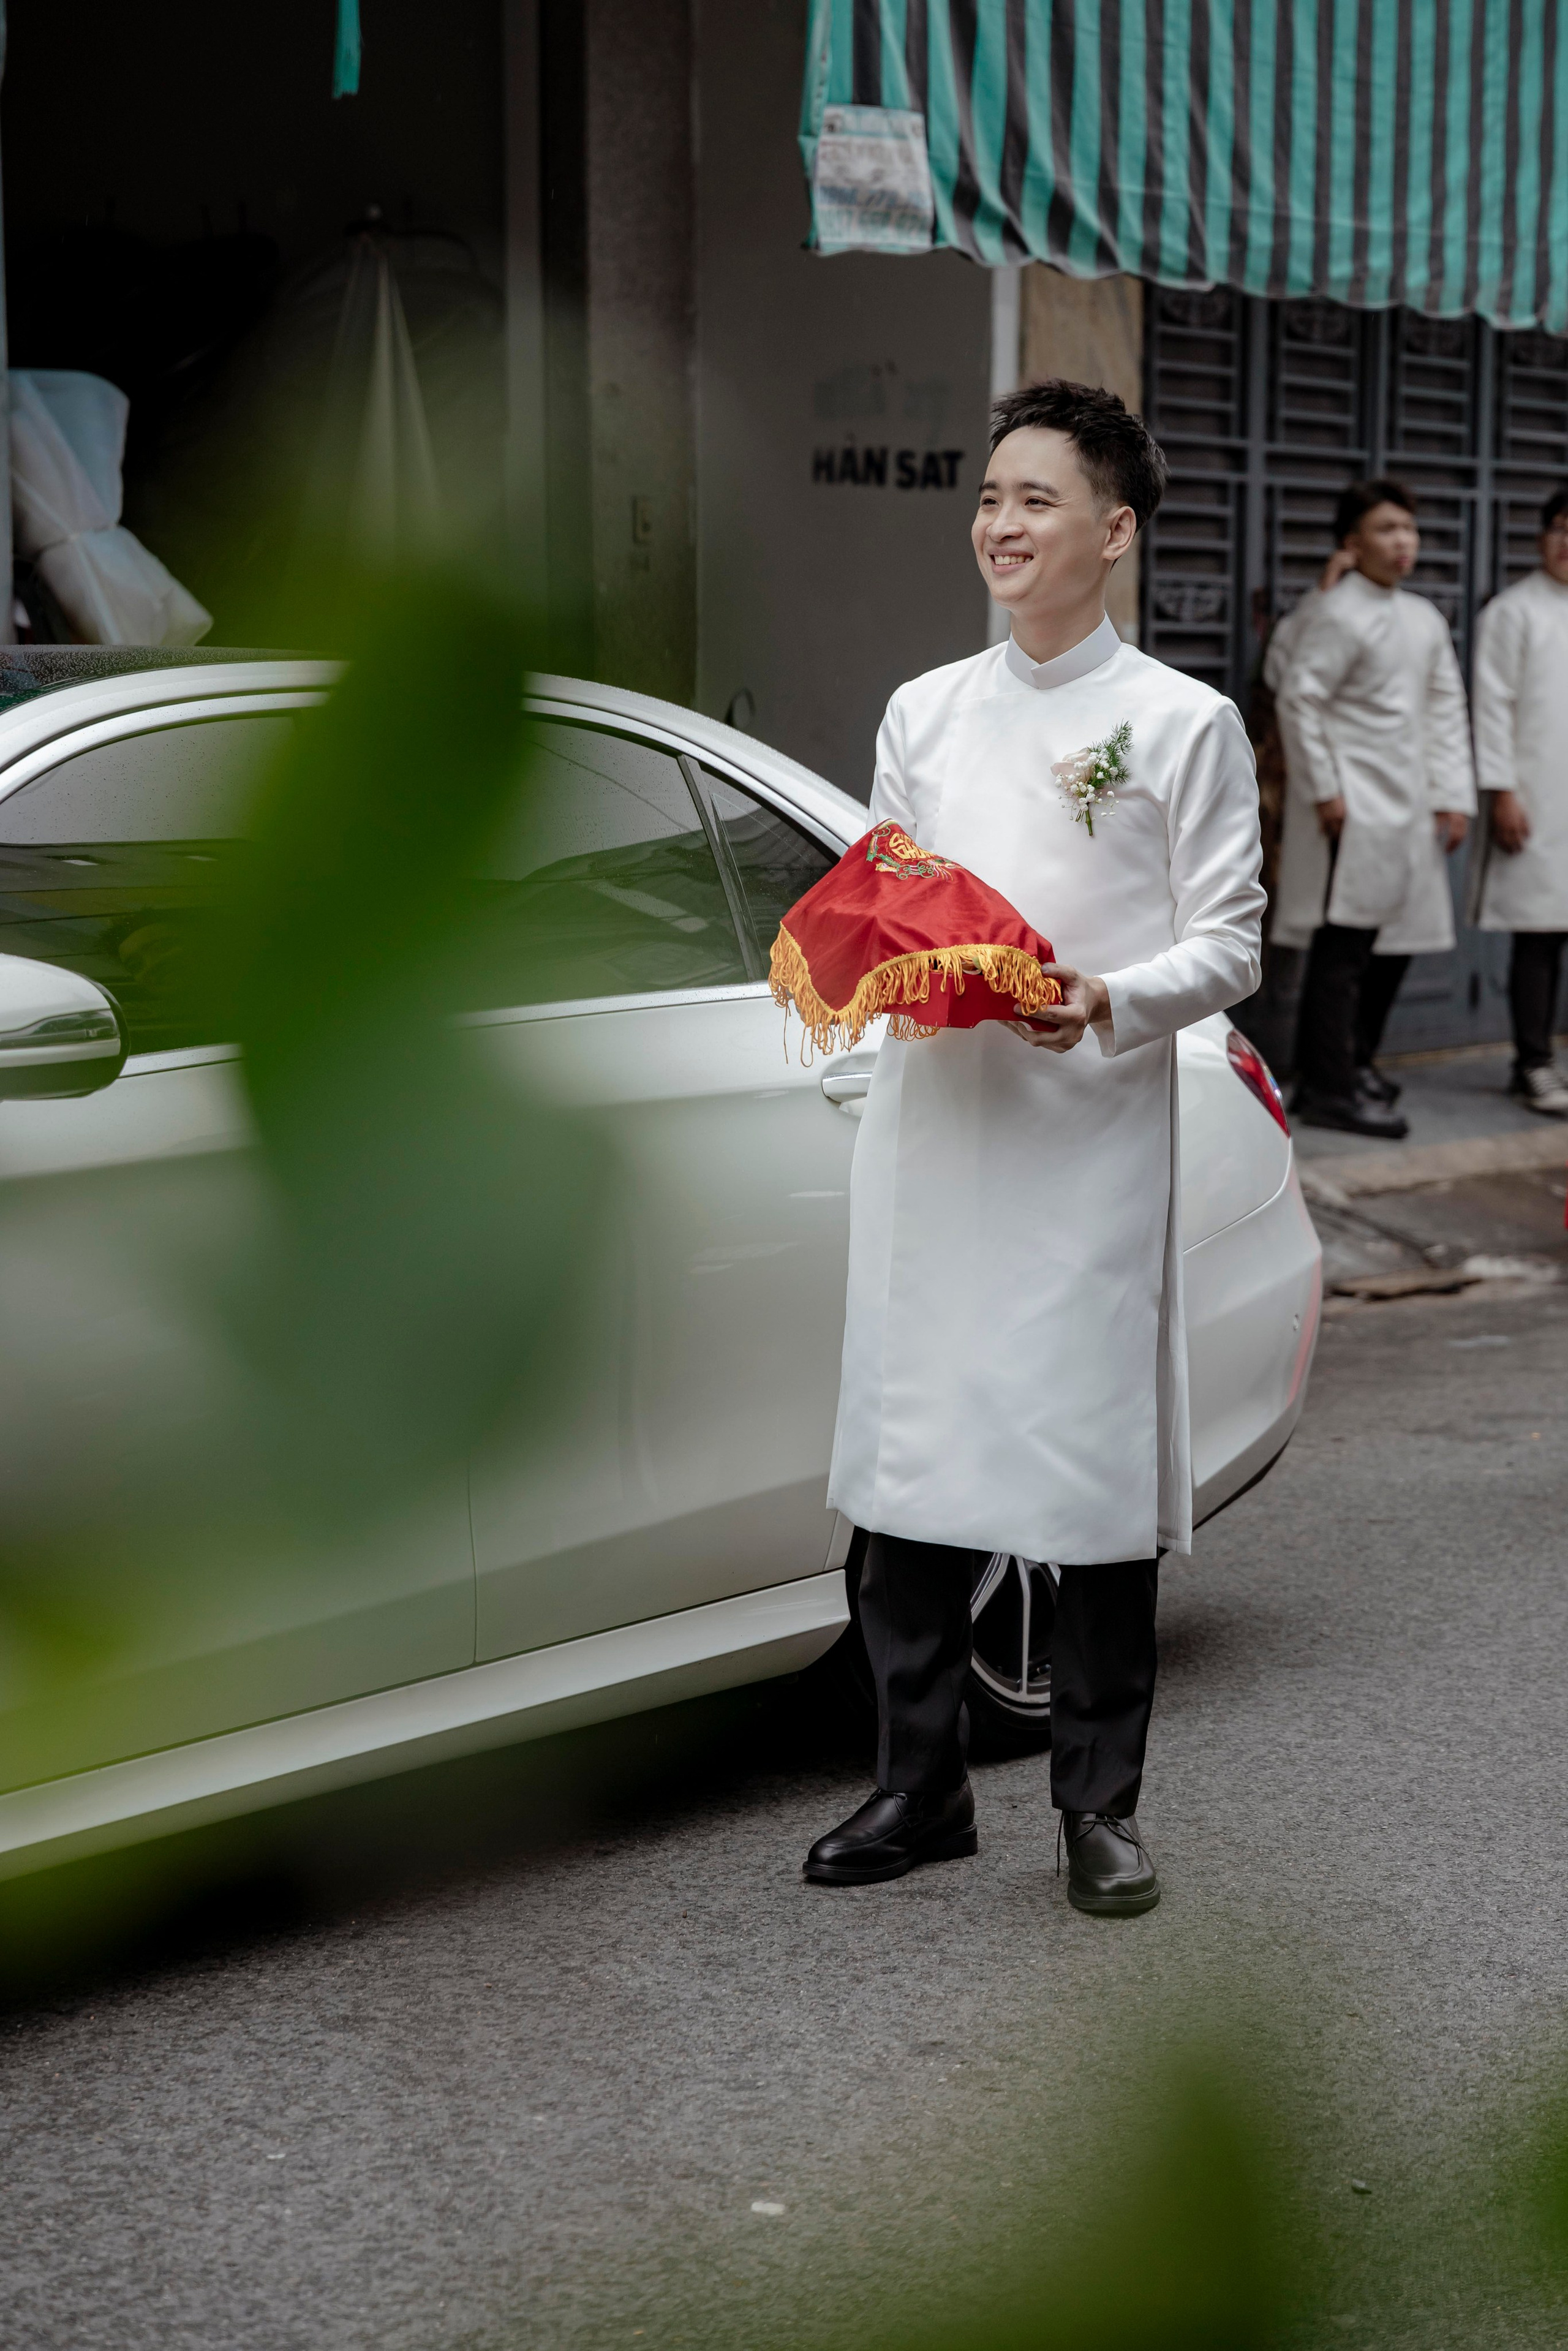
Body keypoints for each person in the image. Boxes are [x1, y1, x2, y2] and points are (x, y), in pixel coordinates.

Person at [803, 380, 1265, 1916]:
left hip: (1083, 1140)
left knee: (1079, 1485)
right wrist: (866, 966)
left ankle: (1097, 1809)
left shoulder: (1182, 723)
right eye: (989, 496)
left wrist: (1109, 997)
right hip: (937, 1130)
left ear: (1112, 531)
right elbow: (887, 892)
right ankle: (914, 1783)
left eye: (1035, 499)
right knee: (909, 1462)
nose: (999, 524)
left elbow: (1234, 944)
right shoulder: (923, 709)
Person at [1272, 480, 1475, 1137]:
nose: (1403, 541)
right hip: (1353, 807)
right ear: (1351, 544)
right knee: (1344, 949)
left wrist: (1451, 795)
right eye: (1386, 529)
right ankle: (1329, 1086)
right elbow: (1298, 697)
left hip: (1409, 805)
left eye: (1409, 529)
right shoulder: (1337, 612)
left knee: (1395, 944)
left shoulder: (1423, 617)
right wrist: (1325, 790)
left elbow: (1445, 708)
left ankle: (1348, 1064)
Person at [1470, 488, 1568, 1115]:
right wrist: (1501, 789)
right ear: (1541, 537)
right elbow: (1492, 705)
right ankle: (1531, 1061)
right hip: (1535, 797)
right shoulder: (1513, 612)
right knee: (1539, 935)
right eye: (1560, 528)